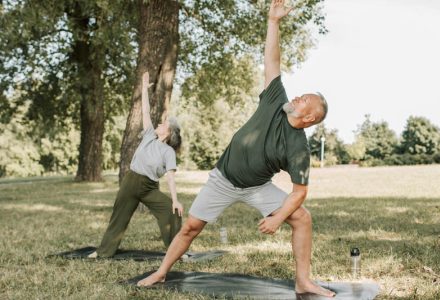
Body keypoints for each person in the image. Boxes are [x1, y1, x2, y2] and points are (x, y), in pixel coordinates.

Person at [137, 0, 334, 297]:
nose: (297, 97)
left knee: (302, 217)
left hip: (257, 187)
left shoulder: (298, 148)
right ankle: (161, 272)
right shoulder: (275, 100)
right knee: (191, 227)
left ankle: (303, 280)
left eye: (305, 99)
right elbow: (272, 62)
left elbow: (299, 192)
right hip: (223, 179)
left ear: (309, 118)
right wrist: (273, 22)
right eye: (301, 94)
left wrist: (278, 217)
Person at [88, 71, 183, 258]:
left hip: (149, 187)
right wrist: (144, 88)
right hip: (131, 182)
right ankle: (103, 252)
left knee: (172, 211)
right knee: (119, 217)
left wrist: (175, 200)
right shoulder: (149, 135)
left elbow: (170, 178)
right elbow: (146, 111)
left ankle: (176, 252)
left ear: (168, 132)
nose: (159, 124)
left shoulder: (168, 152)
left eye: (163, 124)